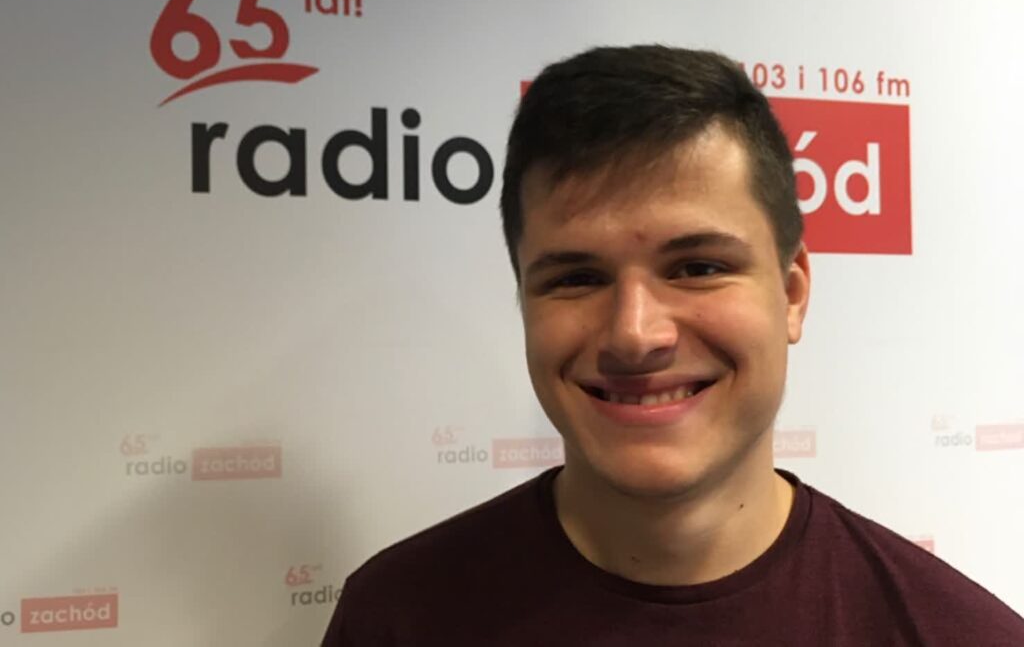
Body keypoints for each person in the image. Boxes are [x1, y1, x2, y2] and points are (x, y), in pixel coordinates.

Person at [322, 45, 1024, 645]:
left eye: (698, 267)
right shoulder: (396, 618)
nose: (635, 333)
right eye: (576, 278)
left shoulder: (959, 635)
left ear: (791, 293)